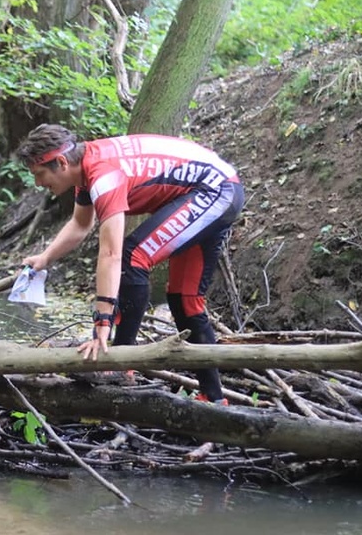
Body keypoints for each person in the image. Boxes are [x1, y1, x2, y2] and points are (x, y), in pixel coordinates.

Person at [17, 124, 244, 404]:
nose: (38, 183)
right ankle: (214, 399)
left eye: (39, 174)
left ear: (62, 162)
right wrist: (45, 258)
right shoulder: (86, 170)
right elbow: (80, 224)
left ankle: (120, 363)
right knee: (184, 299)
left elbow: (111, 255)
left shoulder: (103, 175)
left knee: (131, 257)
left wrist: (102, 323)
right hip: (216, 187)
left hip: (215, 189)